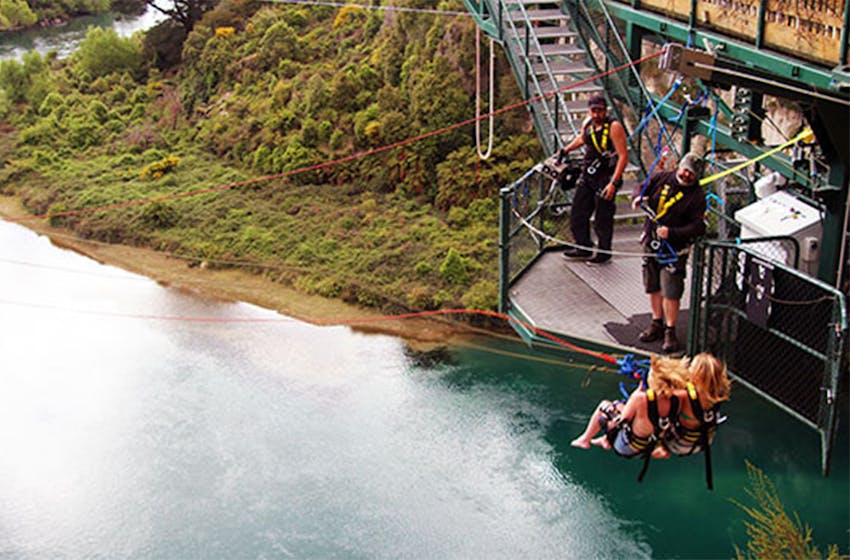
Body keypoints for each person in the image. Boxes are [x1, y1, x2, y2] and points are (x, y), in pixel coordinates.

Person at [632, 152, 707, 353]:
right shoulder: (662, 178)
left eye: (691, 173)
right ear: (679, 166)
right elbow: (642, 186)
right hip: (652, 241)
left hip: (674, 248)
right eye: (685, 170)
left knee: (671, 289)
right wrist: (638, 196)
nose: (686, 175)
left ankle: (670, 329)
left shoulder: (697, 197)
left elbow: (698, 226)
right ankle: (656, 322)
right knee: (652, 285)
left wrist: (672, 233)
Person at [570, 355, 688, 459]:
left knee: (605, 406)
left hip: (628, 446)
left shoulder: (640, 398)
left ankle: (585, 440)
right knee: (628, 411)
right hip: (651, 442)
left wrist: (622, 403)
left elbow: (623, 419)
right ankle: (605, 439)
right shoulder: (678, 398)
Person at [557, 94, 629, 265]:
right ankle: (583, 246)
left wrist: (614, 182)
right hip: (589, 175)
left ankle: (604, 252)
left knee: (602, 218)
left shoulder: (614, 127)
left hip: (605, 176)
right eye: (593, 111)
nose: (597, 114)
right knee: (578, 213)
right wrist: (565, 150)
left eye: (600, 111)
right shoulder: (589, 124)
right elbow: (583, 139)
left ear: (605, 110)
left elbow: (623, 156)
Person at [661, 352, 731, 456]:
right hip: (702, 443)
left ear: (697, 374)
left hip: (679, 444)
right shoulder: (718, 394)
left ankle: (658, 449)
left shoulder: (684, 396)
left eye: (691, 367)